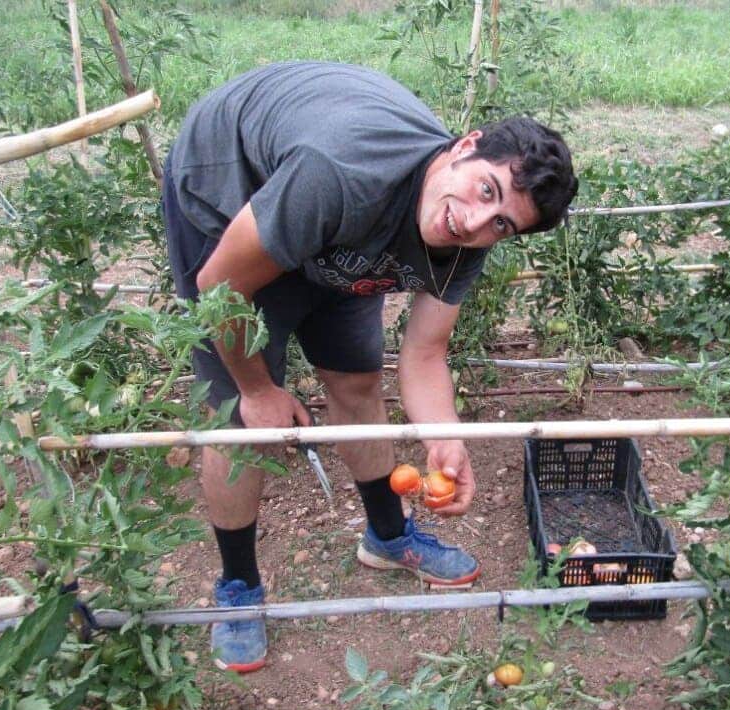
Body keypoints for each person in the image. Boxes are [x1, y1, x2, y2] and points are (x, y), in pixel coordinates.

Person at [162, 61, 577, 674]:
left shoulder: (463, 240)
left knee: (356, 378)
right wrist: (257, 388)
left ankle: (387, 535)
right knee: (236, 419)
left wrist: (445, 438)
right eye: (485, 190)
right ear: (463, 149)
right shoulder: (343, 173)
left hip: (333, 226)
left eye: (501, 224)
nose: (472, 220)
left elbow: (425, 353)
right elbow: (220, 286)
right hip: (231, 197)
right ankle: (239, 587)